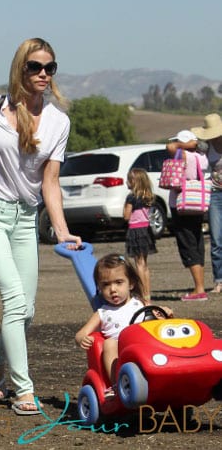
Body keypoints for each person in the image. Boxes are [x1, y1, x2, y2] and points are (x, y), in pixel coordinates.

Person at [0, 37, 82, 416]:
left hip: (26, 219)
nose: (43, 73)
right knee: (14, 299)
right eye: (35, 66)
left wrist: (61, 230)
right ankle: (22, 389)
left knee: (27, 309)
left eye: (50, 67)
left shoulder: (59, 121)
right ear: (20, 68)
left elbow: (50, 182)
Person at [75, 254, 146, 398]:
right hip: (119, 352)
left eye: (119, 282)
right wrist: (82, 338)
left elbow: (157, 316)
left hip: (142, 349)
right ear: (99, 288)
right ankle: (117, 384)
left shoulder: (140, 304)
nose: (113, 289)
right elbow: (81, 334)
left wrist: (164, 311)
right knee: (109, 343)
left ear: (131, 283)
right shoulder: (103, 312)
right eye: (106, 285)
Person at [166, 129, 209, 301]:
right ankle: (200, 285)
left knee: (187, 243)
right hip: (195, 203)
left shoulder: (185, 155)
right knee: (196, 241)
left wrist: (186, 144)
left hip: (182, 203)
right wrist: (193, 144)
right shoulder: (201, 157)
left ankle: (199, 289)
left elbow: (170, 146)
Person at [190, 114, 222, 294]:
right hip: (215, 194)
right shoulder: (206, 147)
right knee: (217, 239)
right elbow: (180, 143)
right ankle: (219, 280)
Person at [123, 168, 157, 302]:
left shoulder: (131, 197)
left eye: (128, 179)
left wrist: (124, 208)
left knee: (139, 264)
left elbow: (126, 216)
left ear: (134, 182)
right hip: (146, 230)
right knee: (145, 264)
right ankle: (148, 293)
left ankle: (144, 295)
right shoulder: (148, 196)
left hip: (135, 230)